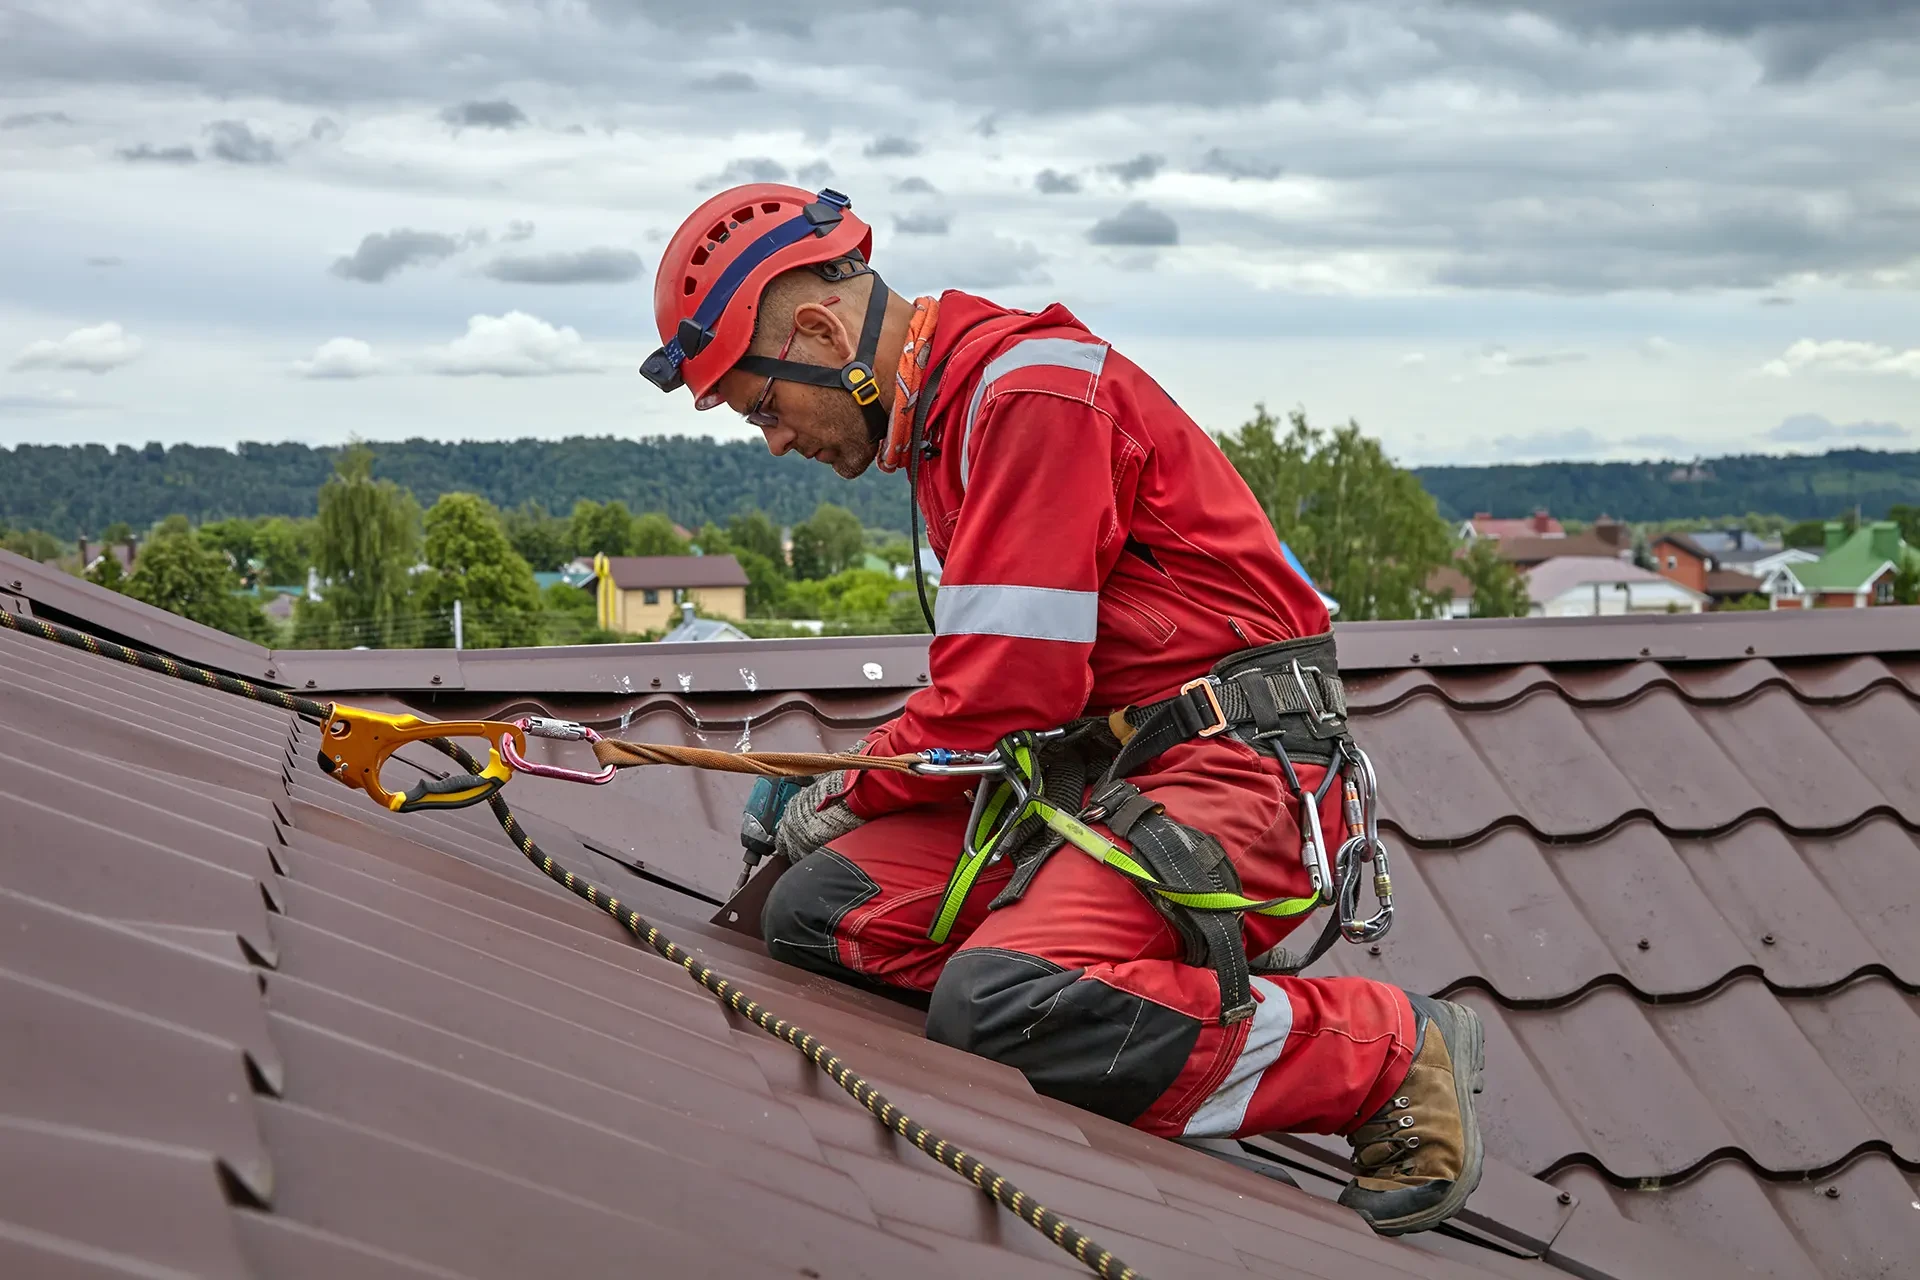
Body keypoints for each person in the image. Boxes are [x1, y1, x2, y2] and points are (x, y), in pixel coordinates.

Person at [639, 183, 1485, 1235]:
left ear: (820, 331)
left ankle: (1386, 1052)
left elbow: (1004, 692)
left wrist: (848, 785)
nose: (773, 440)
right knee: (816, 911)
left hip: (1235, 773)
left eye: (763, 406)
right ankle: (1099, 980)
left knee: (999, 1002)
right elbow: (1003, 690)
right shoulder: (962, 416)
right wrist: (857, 788)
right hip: (1114, 776)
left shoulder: (1031, 398)